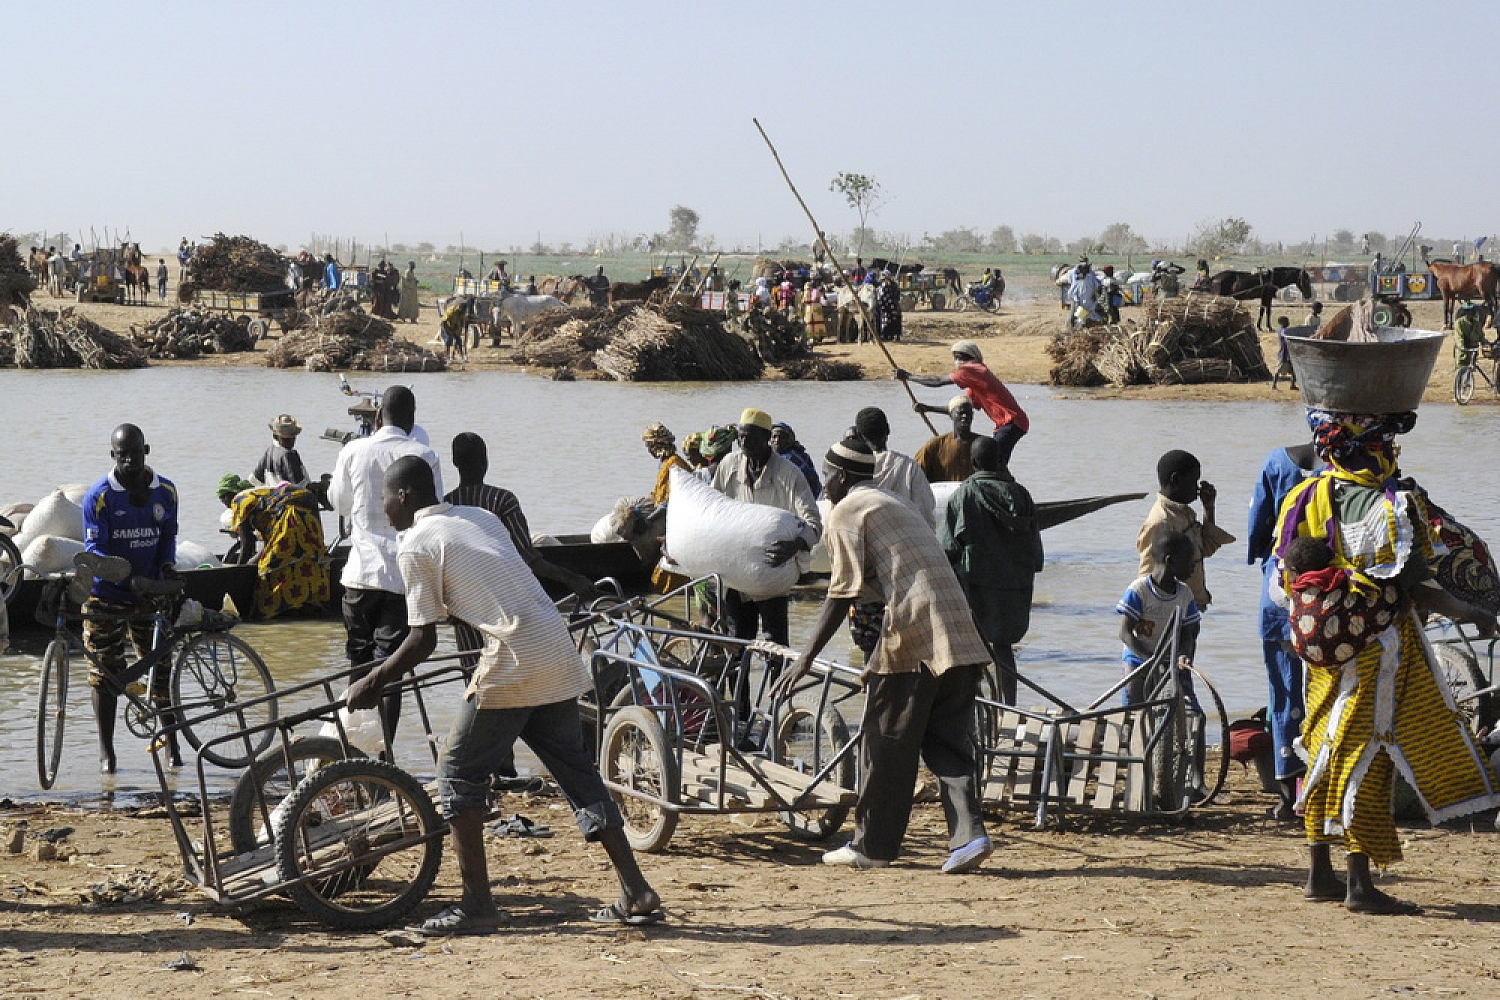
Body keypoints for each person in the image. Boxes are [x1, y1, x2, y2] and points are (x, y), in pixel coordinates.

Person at [346, 456, 662, 934]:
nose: (383, 510)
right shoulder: (479, 517)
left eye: (385, 499)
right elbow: (489, 584)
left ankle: (477, 905)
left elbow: (421, 640)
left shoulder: (414, 545)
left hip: (513, 657)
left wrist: (374, 681)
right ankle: (636, 890)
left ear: (405, 496)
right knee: (578, 774)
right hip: (555, 647)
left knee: (455, 776)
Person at [1277, 408, 1500, 914]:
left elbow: (1282, 579)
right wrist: (1475, 613)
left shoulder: (1303, 496)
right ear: (1374, 448)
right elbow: (1416, 586)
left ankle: (1319, 873)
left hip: (1323, 648)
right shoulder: (1392, 507)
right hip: (1379, 650)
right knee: (1372, 756)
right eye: (1387, 445)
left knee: (1319, 747)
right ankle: (1359, 882)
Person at [772, 434, 993, 874]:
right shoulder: (895, 504)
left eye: (828, 475)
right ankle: (970, 838)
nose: (825, 484)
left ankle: (872, 847)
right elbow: (883, 581)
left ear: (842, 476)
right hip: (961, 631)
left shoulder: (847, 511)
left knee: (884, 742)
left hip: (918, 636)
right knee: (947, 743)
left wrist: (804, 659)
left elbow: (841, 594)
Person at [328, 386, 443, 748]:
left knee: (358, 664)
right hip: (401, 578)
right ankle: (383, 756)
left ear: (378, 418)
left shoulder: (352, 451)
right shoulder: (423, 454)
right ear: (411, 421)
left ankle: (351, 753)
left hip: (359, 576)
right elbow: (433, 514)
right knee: (390, 673)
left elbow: (340, 503)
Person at [82, 424, 179, 774]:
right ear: (113, 455)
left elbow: (168, 533)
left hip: (149, 594)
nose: (128, 461)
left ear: (146, 450)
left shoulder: (165, 491)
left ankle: (173, 749)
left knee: (162, 671)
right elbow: (95, 549)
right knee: (103, 674)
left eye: (134, 453)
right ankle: (107, 755)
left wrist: (165, 566)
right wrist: (122, 575)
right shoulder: (100, 496)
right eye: (121, 455)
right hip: (107, 595)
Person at [939, 436, 1043, 705]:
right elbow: (1036, 552)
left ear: (972, 463)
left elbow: (947, 547)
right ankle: (1009, 707)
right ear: (1000, 461)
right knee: (1004, 649)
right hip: (1015, 587)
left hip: (976, 586)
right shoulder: (1022, 495)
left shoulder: (964, 495)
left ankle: (978, 711)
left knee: (972, 653)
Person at [1246, 441, 1319, 820]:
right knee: (1328, 693)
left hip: (1278, 591)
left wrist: (1263, 552)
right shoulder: (1353, 469)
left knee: (1284, 693)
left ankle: (1288, 793)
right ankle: (1320, 788)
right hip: (1328, 597)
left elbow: (1258, 528)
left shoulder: (1278, 461)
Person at [710, 408, 821, 648]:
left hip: (772, 573)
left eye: (749, 437)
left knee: (776, 646)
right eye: (740, 436)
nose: (743, 442)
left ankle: (777, 686)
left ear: (767, 438)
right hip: (735, 573)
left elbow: (813, 523)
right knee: (737, 644)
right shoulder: (729, 465)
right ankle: (738, 687)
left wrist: (795, 545)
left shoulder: (789, 473)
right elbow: (710, 509)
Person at [897, 340, 1030, 467]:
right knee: (993, 460)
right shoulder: (976, 382)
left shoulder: (972, 369)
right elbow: (959, 409)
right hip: (1009, 424)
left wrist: (909, 376)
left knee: (991, 460)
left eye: (958, 357)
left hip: (1012, 422)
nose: (957, 362)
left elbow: (937, 381)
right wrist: (928, 408)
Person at [221, 474, 329, 619]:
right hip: (308, 517)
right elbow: (268, 544)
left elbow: (247, 543)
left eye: (223, 500)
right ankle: (307, 606)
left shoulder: (239, 500)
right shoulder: (261, 496)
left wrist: (240, 570)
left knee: (268, 571)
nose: (226, 505)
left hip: (290, 521)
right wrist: (253, 561)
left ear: (228, 496)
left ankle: (268, 613)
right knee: (308, 559)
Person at [1137, 449, 1234, 612]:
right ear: (1176, 480)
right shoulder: (1161, 521)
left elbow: (1205, 549)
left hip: (1190, 605)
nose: (1197, 489)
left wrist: (1209, 509)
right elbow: (1147, 573)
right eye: (1193, 482)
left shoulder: (1184, 514)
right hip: (1169, 609)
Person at [1117, 531, 1200, 707]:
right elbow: (1125, 633)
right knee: (1133, 707)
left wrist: (1184, 654)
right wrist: (1149, 660)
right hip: (1138, 659)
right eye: (1188, 561)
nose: (1194, 566)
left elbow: (1189, 633)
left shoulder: (1185, 594)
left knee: (1191, 710)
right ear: (1170, 561)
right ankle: (1130, 731)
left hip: (1171, 661)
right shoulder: (1139, 591)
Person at [641, 423, 693, 593]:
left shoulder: (674, 464)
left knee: (669, 574)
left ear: (657, 445)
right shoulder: (665, 463)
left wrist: (648, 521)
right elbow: (658, 495)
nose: (648, 451)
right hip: (669, 525)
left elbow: (669, 502)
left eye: (649, 446)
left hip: (679, 525)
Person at [914, 396, 980, 483]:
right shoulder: (935, 445)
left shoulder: (982, 445)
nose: (964, 416)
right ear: (951, 415)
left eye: (968, 413)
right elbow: (915, 472)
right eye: (960, 413)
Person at [253, 414, 311, 488]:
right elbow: (299, 484)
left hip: (273, 495)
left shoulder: (269, 451)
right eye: (285, 439)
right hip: (291, 497)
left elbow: (254, 479)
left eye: (292, 438)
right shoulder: (289, 455)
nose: (290, 441)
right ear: (276, 436)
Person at [769, 422, 820, 497]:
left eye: (782, 437)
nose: (777, 440)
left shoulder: (787, 459)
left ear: (789, 440)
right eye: (774, 437)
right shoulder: (801, 453)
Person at [439, 295, 473, 362]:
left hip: (454, 327)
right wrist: (449, 331)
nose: (464, 312)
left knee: (459, 341)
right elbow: (443, 321)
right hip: (446, 327)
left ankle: (462, 357)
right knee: (449, 340)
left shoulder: (462, 314)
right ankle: (447, 357)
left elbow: (461, 323)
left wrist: (457, 331)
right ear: (460, 308)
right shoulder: (451, 311)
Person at [1454, 301, 1486, 367]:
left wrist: (1486, 344)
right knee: (1461, 370)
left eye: (1471, 311)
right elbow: (1459, 336)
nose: (1470, 313)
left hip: (1473, 351)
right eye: (1467, 311)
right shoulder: (1459, 323)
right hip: (1462, 352)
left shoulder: (1477, 323)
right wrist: (1461, 346)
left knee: (1471, 369)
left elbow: (1481, 336)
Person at [1270, 316, 1297, 391]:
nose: (1288, 323)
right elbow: (1286, 336)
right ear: (1282, 323)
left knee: (1293, 371)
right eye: (1287, 321)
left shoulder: (1284, 330)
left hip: (1288, 354)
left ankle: (1292, 385)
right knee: (1278, 371)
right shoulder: (1282, 331)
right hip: (1283, 354)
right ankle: (1274, 386)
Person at [875, 271, 902, 342]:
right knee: (888, 321)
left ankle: (891, 336)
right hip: (888, 306)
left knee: (892, 321)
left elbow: (881, 297)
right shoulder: (884, 286)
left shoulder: (889, 286)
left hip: (890, 307)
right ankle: (888, 336)